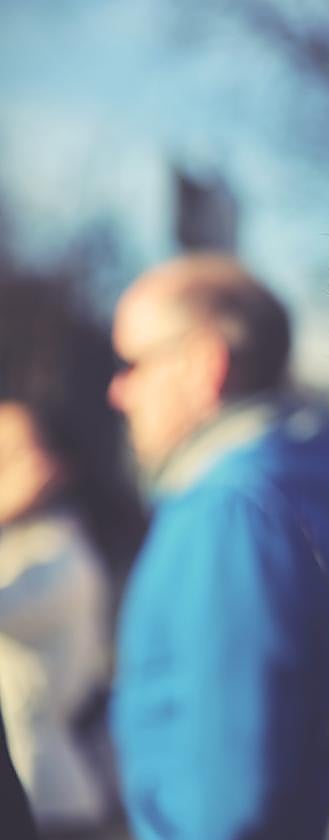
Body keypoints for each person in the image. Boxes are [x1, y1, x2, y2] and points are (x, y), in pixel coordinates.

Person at [107, 253, 329, 839]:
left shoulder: (227, 510)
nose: (118, 392)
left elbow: (225, 794)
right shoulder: (308, 474)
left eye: (132, 363)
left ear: (207, 363)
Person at [0, 277, 142, 836]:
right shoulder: (21, 546)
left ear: (52, 470)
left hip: (50, 800)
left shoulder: (60, 555)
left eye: (10, 456)